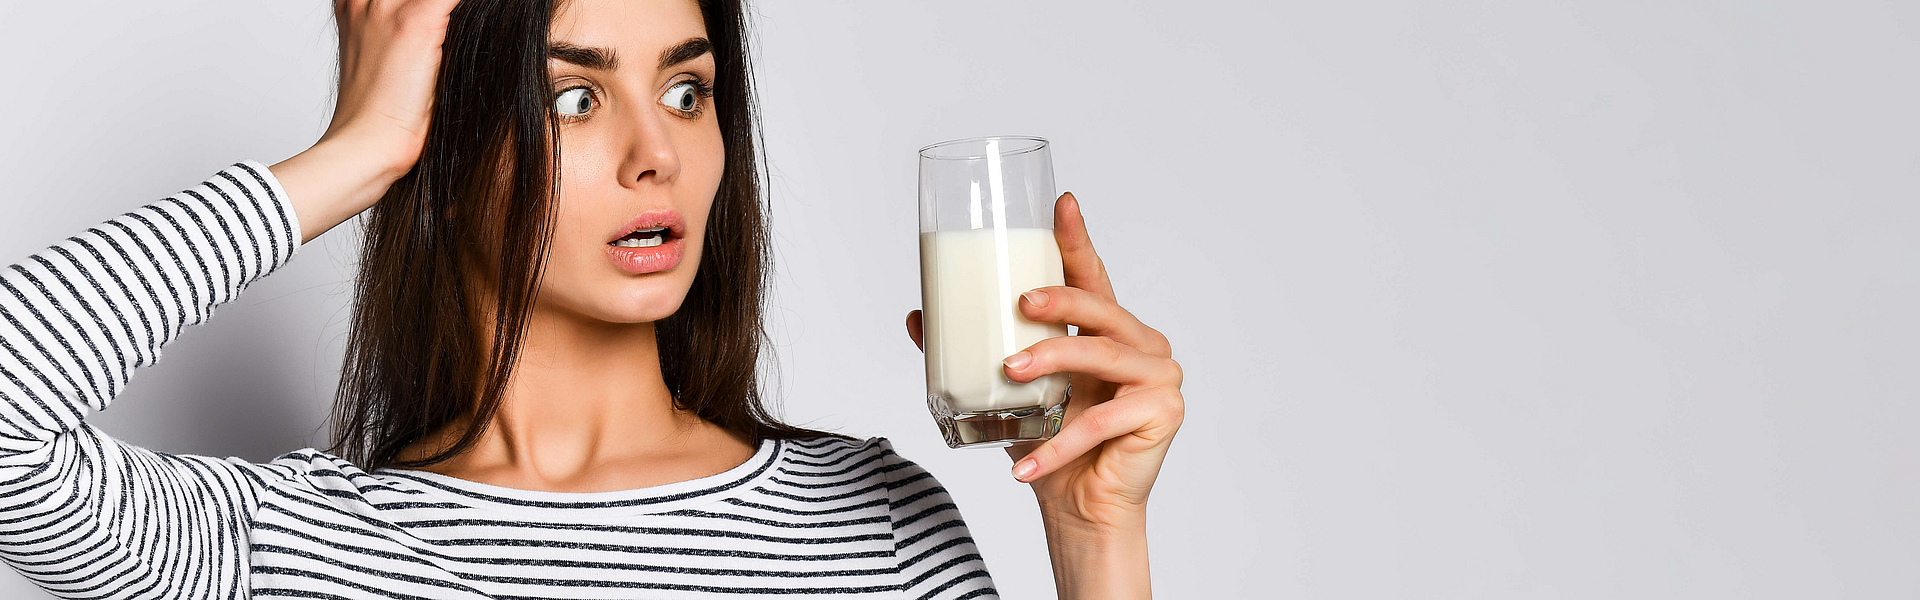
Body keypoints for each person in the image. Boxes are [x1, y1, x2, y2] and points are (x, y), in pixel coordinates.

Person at [0, 0, 1184, 598]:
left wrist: (1094, 538)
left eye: (687, 91)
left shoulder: (869, 523)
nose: (655, 154)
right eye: (573, 99)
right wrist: (354, 156)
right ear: (442, 140)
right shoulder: (292, 548)